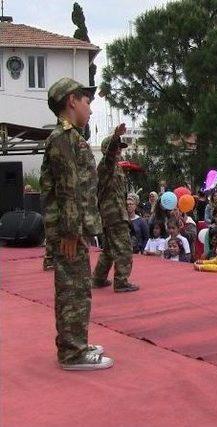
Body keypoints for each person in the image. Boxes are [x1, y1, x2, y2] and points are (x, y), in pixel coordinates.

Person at [40, 77, 113, 370]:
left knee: (78, 287)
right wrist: (71, 231)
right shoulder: (63, 139)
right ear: (71, 100)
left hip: (74, 226)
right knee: (73, 290)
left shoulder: (70, 138)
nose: (90, 109)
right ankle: (73, 353)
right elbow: (68, 188)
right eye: (86, 101)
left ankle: (75, 342)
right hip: (68, 229)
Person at [92, 126, 139, 293]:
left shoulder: (115, 167)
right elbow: (110, 154)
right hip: (114, 215)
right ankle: (121, 281)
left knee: (110, 249)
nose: (120, 150)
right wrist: (116, 137)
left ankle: (98, 278)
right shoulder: (107, 165)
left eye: (120, 147)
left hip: (112, 214)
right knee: (124, 248)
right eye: (118, 147)